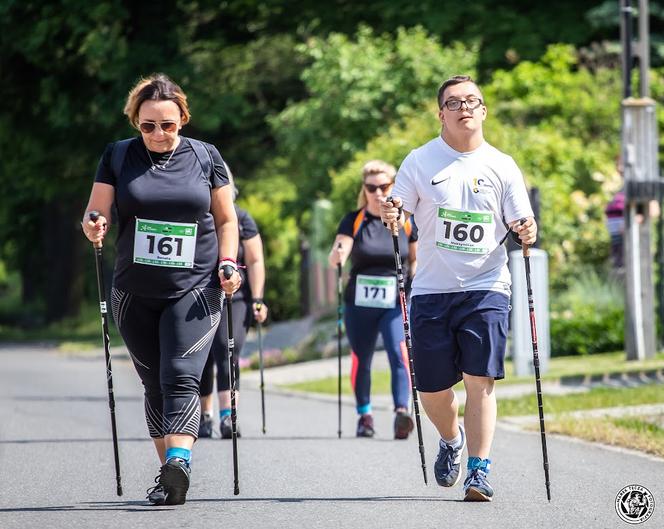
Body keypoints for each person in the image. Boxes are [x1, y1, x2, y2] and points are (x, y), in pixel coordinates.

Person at [82, 73, 241, 506]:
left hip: (196, 286)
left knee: (181, 374)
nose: (158, 133)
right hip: (133, 290)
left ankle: (179, 460)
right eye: (148, 125)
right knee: (153, 382)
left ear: (183, 120)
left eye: (167, 125)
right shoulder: (117, 156)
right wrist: (94, 224)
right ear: (136, 122)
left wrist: (229, 263)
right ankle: (170, 475)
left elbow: (227, 220)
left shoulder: (207, 157)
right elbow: (97, 210)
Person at [379, 75, 537, 501]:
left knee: (480, 378)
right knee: (431, 388)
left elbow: (523, 221)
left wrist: (526, 229)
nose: (464, 107)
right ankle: (452, 438)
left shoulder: (502, 164)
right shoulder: (420, 160)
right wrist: (393, 214)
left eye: (472, 101)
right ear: (441, 113)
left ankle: (479, 470)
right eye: (454, 102)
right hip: (431, 290)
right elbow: (398, 208)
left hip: (487, 286)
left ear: (483, 110)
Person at [328, 160, 418, 440]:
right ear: (364, 189)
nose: (378, 193)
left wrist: (411, 284)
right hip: (361, 301)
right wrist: (338, 255)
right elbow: (339, 250)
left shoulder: (405, 221)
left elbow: (415, 259)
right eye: (371, 188)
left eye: (384, 186)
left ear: (393, 187)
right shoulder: (354, 220)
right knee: (362, 357)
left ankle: (401, 412)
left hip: (394, 301)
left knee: (398, 352)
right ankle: (364, 415)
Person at [198, 167, 268, 439]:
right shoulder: (197, 216)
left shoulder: (241, 218)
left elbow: (255, 260)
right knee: (201, 356)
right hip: (200, 294)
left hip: (234, 296)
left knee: (227, 348)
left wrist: (258, 298)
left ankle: (229, 415)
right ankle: (204, 415)